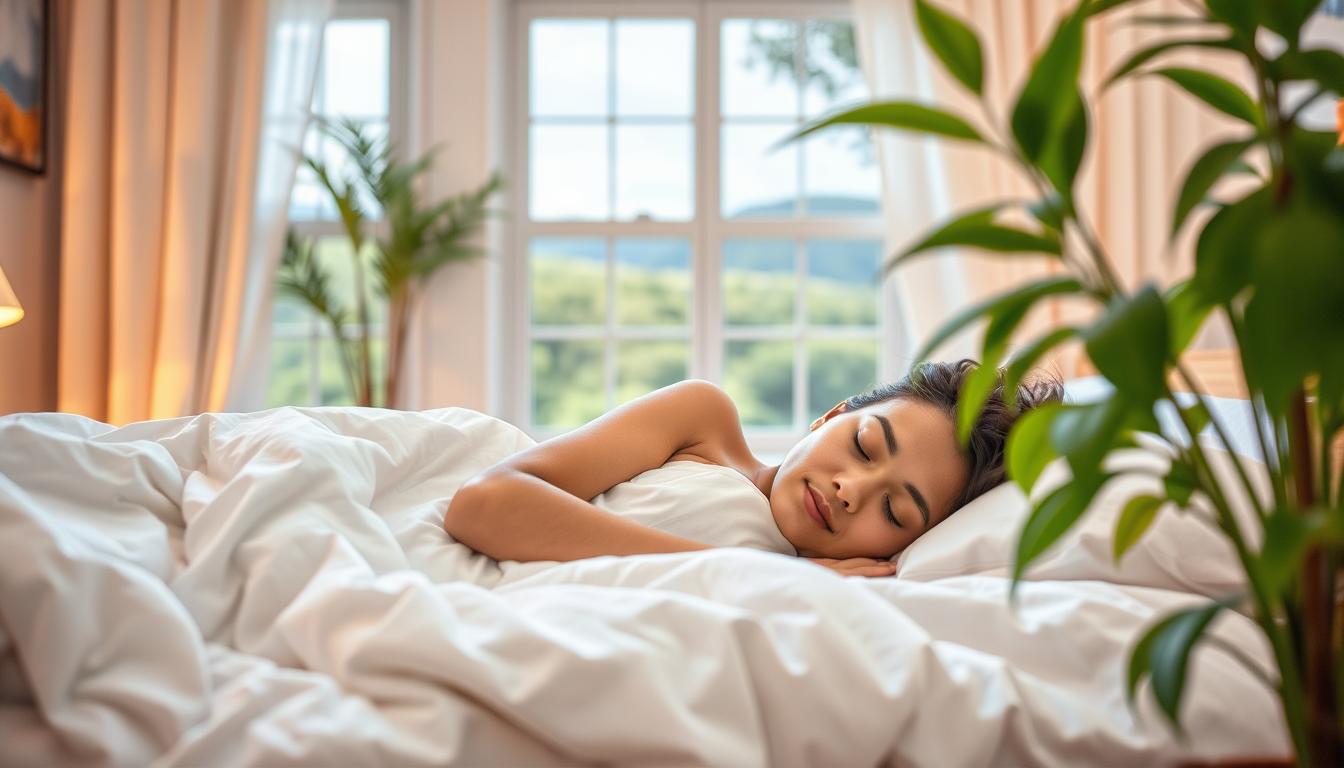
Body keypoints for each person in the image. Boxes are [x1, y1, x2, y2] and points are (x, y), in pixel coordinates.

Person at [444, 359, 1063, 578]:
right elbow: (485, 504)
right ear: (830, 415)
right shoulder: (704, 422)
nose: (852, 491)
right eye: (866, 447)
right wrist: (738, 569)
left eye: (896, 511)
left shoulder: (823, 589)